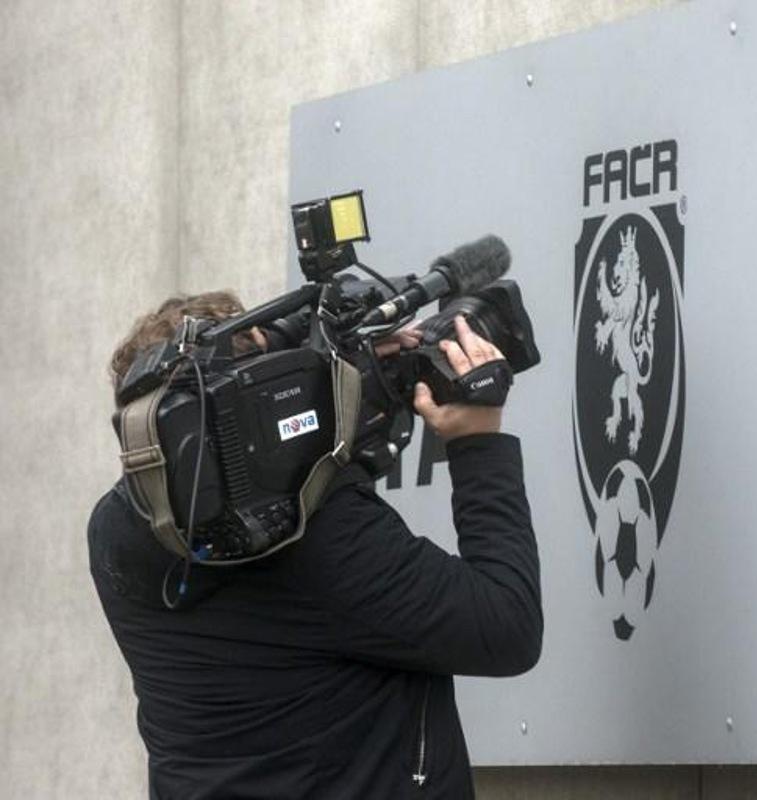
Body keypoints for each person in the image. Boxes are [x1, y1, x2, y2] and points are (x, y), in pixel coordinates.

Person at [89, 291, 542, 799]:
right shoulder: (317, 536)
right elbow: (506, 626)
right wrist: (478, 441)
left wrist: (345, 400)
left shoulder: (113, 529)